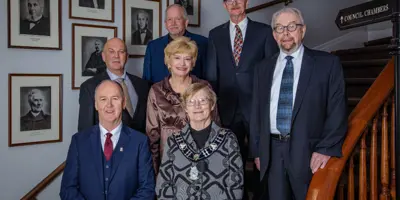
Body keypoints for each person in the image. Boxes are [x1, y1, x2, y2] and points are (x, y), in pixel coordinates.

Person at [250, 7, 347, 199]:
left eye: (292, 26)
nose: (285, 33)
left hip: (309, 152)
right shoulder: (262, 68)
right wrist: (258, 151)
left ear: (303, 30)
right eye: (279, 28)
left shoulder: (327, 64)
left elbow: (337, 110)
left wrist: (325, 148)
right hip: (272, 151)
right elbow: (256, 112)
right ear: (274, 35)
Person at [205, 0, 278, 198]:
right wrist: (213, 108)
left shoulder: (264, 32)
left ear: (246, 2)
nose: (235, 3)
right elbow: (212, 74)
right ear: (224, 5)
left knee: (261, 158)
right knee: (231, 159)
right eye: (230, 0)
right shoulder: (215, 34)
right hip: (227, 106)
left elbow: (273, 70)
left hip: (257, 106)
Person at [60, 80, 155, 200]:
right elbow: (67, 189)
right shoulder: (79, 141)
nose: (109, 105)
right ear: (96, 104)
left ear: (124, 103)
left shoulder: (140, 142)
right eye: (103, 99)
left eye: (115, 98)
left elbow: (147, 189)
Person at [156, 82, 243, 199]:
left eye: (203, 100)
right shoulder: (173, 141)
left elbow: (236, 186)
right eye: (191, 102)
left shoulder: (228, 139)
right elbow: (163, 185)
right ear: (185, 108)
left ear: (212, 105)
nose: (197, 106)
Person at [146, 36, 219, 175]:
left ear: (193, 62)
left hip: (201, 159)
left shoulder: (204, 87)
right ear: (169, 61)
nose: (182, 63)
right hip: (169, 161)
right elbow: (152, 136)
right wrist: (155, 173)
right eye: (177, 57)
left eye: (187, 58)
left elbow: (215, 127)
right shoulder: (156, 91)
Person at [78, 38, 150, 133]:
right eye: (111, 52)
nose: (116, 56)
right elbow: (85, 131)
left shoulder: (143, 85)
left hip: (141, 146)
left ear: (127, 56)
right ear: (103, 56)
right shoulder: (89, 87)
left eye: (121, 52)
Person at [143, 4, 208, 83]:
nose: (173, 23)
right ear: (165, 23)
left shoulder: (203, 43)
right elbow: (146, 80)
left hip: (192, 94)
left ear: (186, 22)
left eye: (178, 19)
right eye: (169, 19)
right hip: (159, 94)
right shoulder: (153, 46)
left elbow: (208, 77)